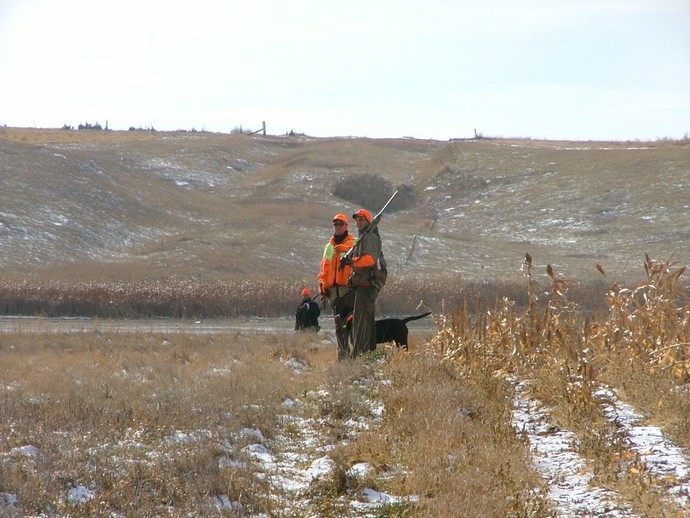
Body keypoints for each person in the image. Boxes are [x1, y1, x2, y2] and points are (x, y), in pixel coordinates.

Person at [340, 208, 381, 358]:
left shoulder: (370, 238)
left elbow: (369, 260)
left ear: (368, 221)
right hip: (363, 286)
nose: (358, 222)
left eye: (361, 219)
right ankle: (368, 355)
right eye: (356, 219)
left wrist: (351, 262)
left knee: (361, 324)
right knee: (364, 323)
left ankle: (360, 356)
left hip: (367, 286)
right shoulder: (364, 237)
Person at [317, 213, 357, 359]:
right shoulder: (329, 246)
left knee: (352, 326)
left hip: (349, 293)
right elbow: (323, 269)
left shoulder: (353, 243)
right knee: (339, 328)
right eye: (335, 224)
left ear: (347, 226)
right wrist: (322, 286)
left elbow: (358, 264)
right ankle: (343, 358)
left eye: (341, 224)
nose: (338, 226)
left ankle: (358, 356)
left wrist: (346, 250)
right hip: (333, 293)